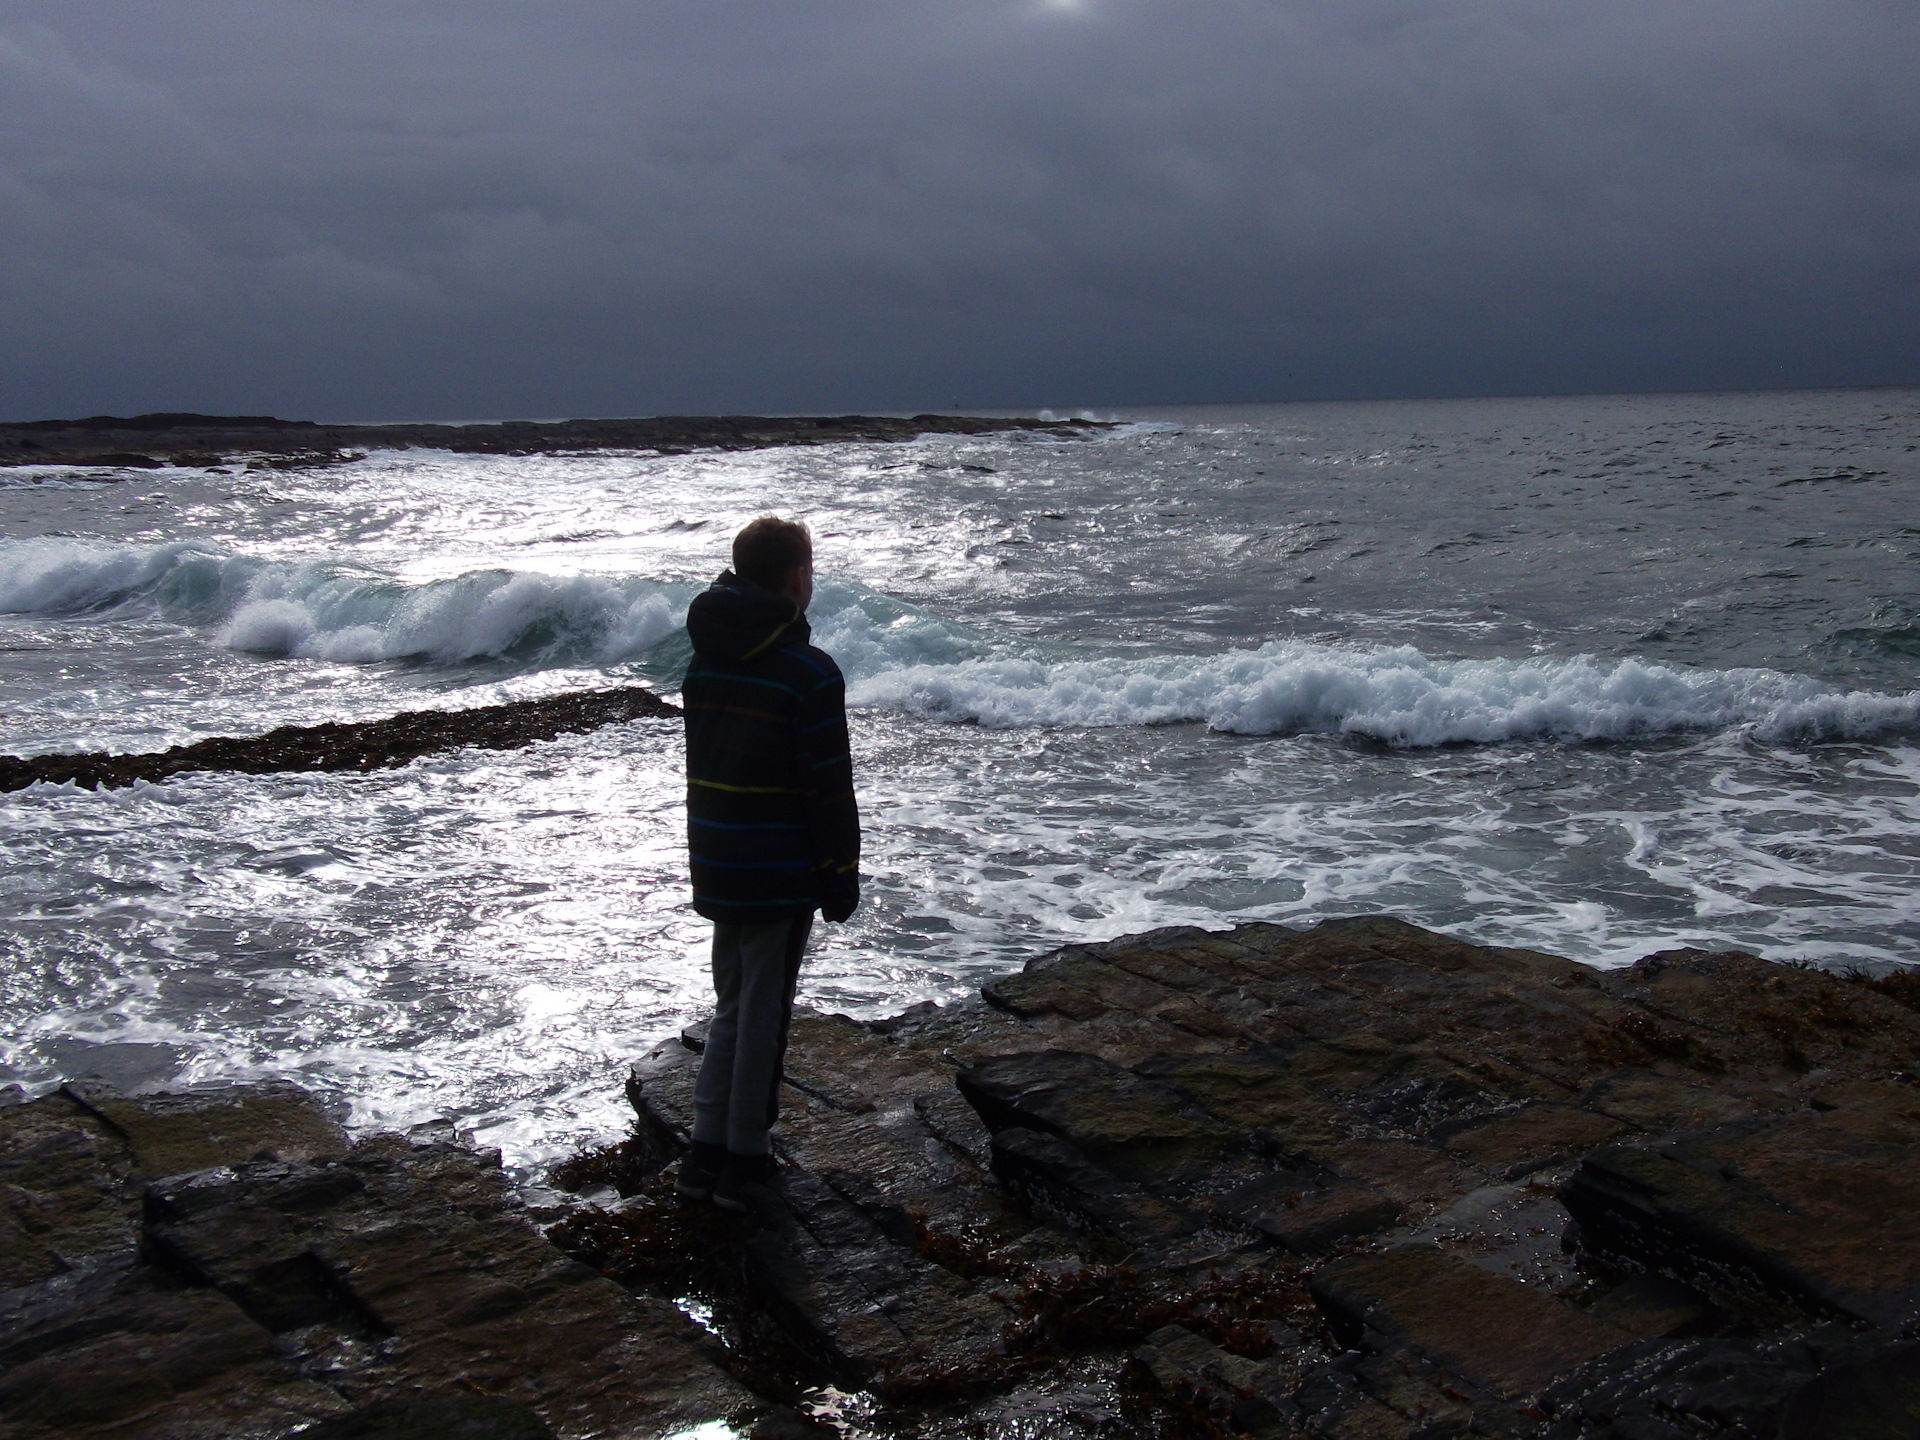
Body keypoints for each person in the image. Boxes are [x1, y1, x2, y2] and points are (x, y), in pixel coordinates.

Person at [675, 516, 860, 1210]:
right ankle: (746, 1160)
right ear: (794, 578)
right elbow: (827, 787)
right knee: (766, 1011)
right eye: (809, 569)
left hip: (719, 855)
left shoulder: (705, 660)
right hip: (778, 867)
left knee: (733, 1003)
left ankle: (704, 1151)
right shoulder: (807, 673)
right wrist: (840, 872)